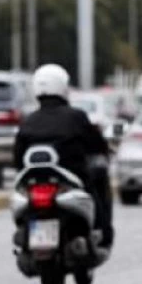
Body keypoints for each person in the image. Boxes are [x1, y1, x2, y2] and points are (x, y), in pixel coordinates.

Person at [14, 63, 114, 248]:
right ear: (63, 86)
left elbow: (17, 158)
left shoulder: (28, 120)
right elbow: (96, 145)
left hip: (34, 183)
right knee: (99, 182)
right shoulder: (76, 117)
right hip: (70, 180)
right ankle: (102, 233)